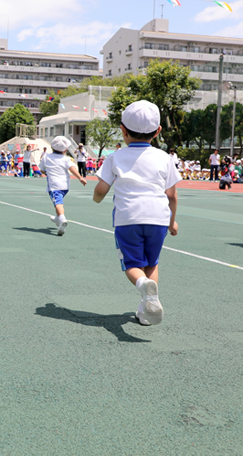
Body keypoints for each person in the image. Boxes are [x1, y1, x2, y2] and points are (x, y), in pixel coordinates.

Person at [92, 100, 180, 326]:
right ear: (158, 131)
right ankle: (147, 308)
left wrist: (97, 198)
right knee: (152, 263)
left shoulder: (115, 157)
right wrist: (172, 221)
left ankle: (143, 287)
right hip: (158, 218)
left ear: (123, 130)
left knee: (132, 265)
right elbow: (171, 195)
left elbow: (101, 189)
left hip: (127, 218)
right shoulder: (165, 158)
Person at [40, 136, 86, 236]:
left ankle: (62, 219)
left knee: (58, 203)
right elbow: (72, 168)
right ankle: (57, 218)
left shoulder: (46, 157)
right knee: (59, 202)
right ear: (65, 149)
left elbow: (42, 170)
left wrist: (47, 171)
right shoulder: (66, 159)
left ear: (52, 147)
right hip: (65, 186)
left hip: (54, 186)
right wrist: (80, 178)